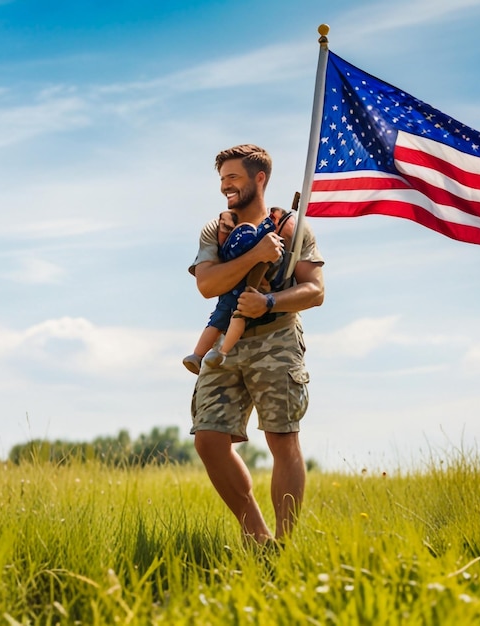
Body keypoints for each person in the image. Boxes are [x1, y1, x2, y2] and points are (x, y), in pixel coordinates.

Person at [188, 144, 325, 545]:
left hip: (276, 339)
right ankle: (257, 535)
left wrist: (268, 301)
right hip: (225, 345)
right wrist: (255, 257)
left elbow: (315, 291)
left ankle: (285, 545)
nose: (225, 187)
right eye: (222, 179)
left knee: (282, 438)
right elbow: (207, 285)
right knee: (208, 438)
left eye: (232, 178)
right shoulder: (216, 230)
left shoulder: (292, 227)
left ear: (258, 178)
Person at [182, 210, 283, 374]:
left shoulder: (238, 245)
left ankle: (208, 354)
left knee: (224, 321)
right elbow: (207, 285)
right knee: (226, 320)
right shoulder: (233, 240)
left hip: (235, 295)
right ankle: (209, 354)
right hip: (234, 294)